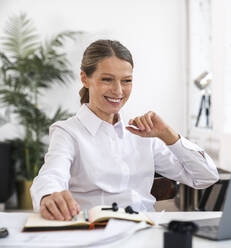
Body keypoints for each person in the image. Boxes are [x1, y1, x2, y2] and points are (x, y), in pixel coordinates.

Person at [30, 40, 219, 221]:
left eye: (126, 81)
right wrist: (48, 195)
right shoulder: (68, 132)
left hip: (144, 231)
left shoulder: (143, 134)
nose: (118, 91)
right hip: (95, 233)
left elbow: (205, 177)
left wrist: (169, 136)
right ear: (85, 78)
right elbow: (52, 174)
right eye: (107, 79)